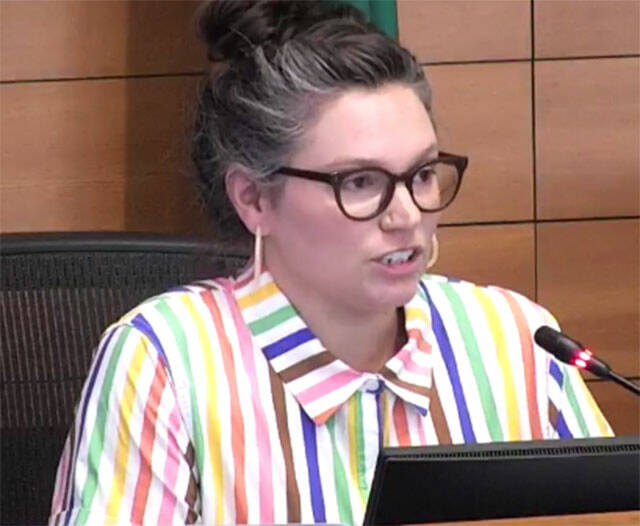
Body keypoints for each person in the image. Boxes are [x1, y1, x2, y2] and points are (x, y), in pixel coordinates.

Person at [49, 1, 612, 525]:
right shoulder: (163, 361)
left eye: (421, 174)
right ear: (255, 199)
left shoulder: (514, 338)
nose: (406, 214)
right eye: (360, 183)